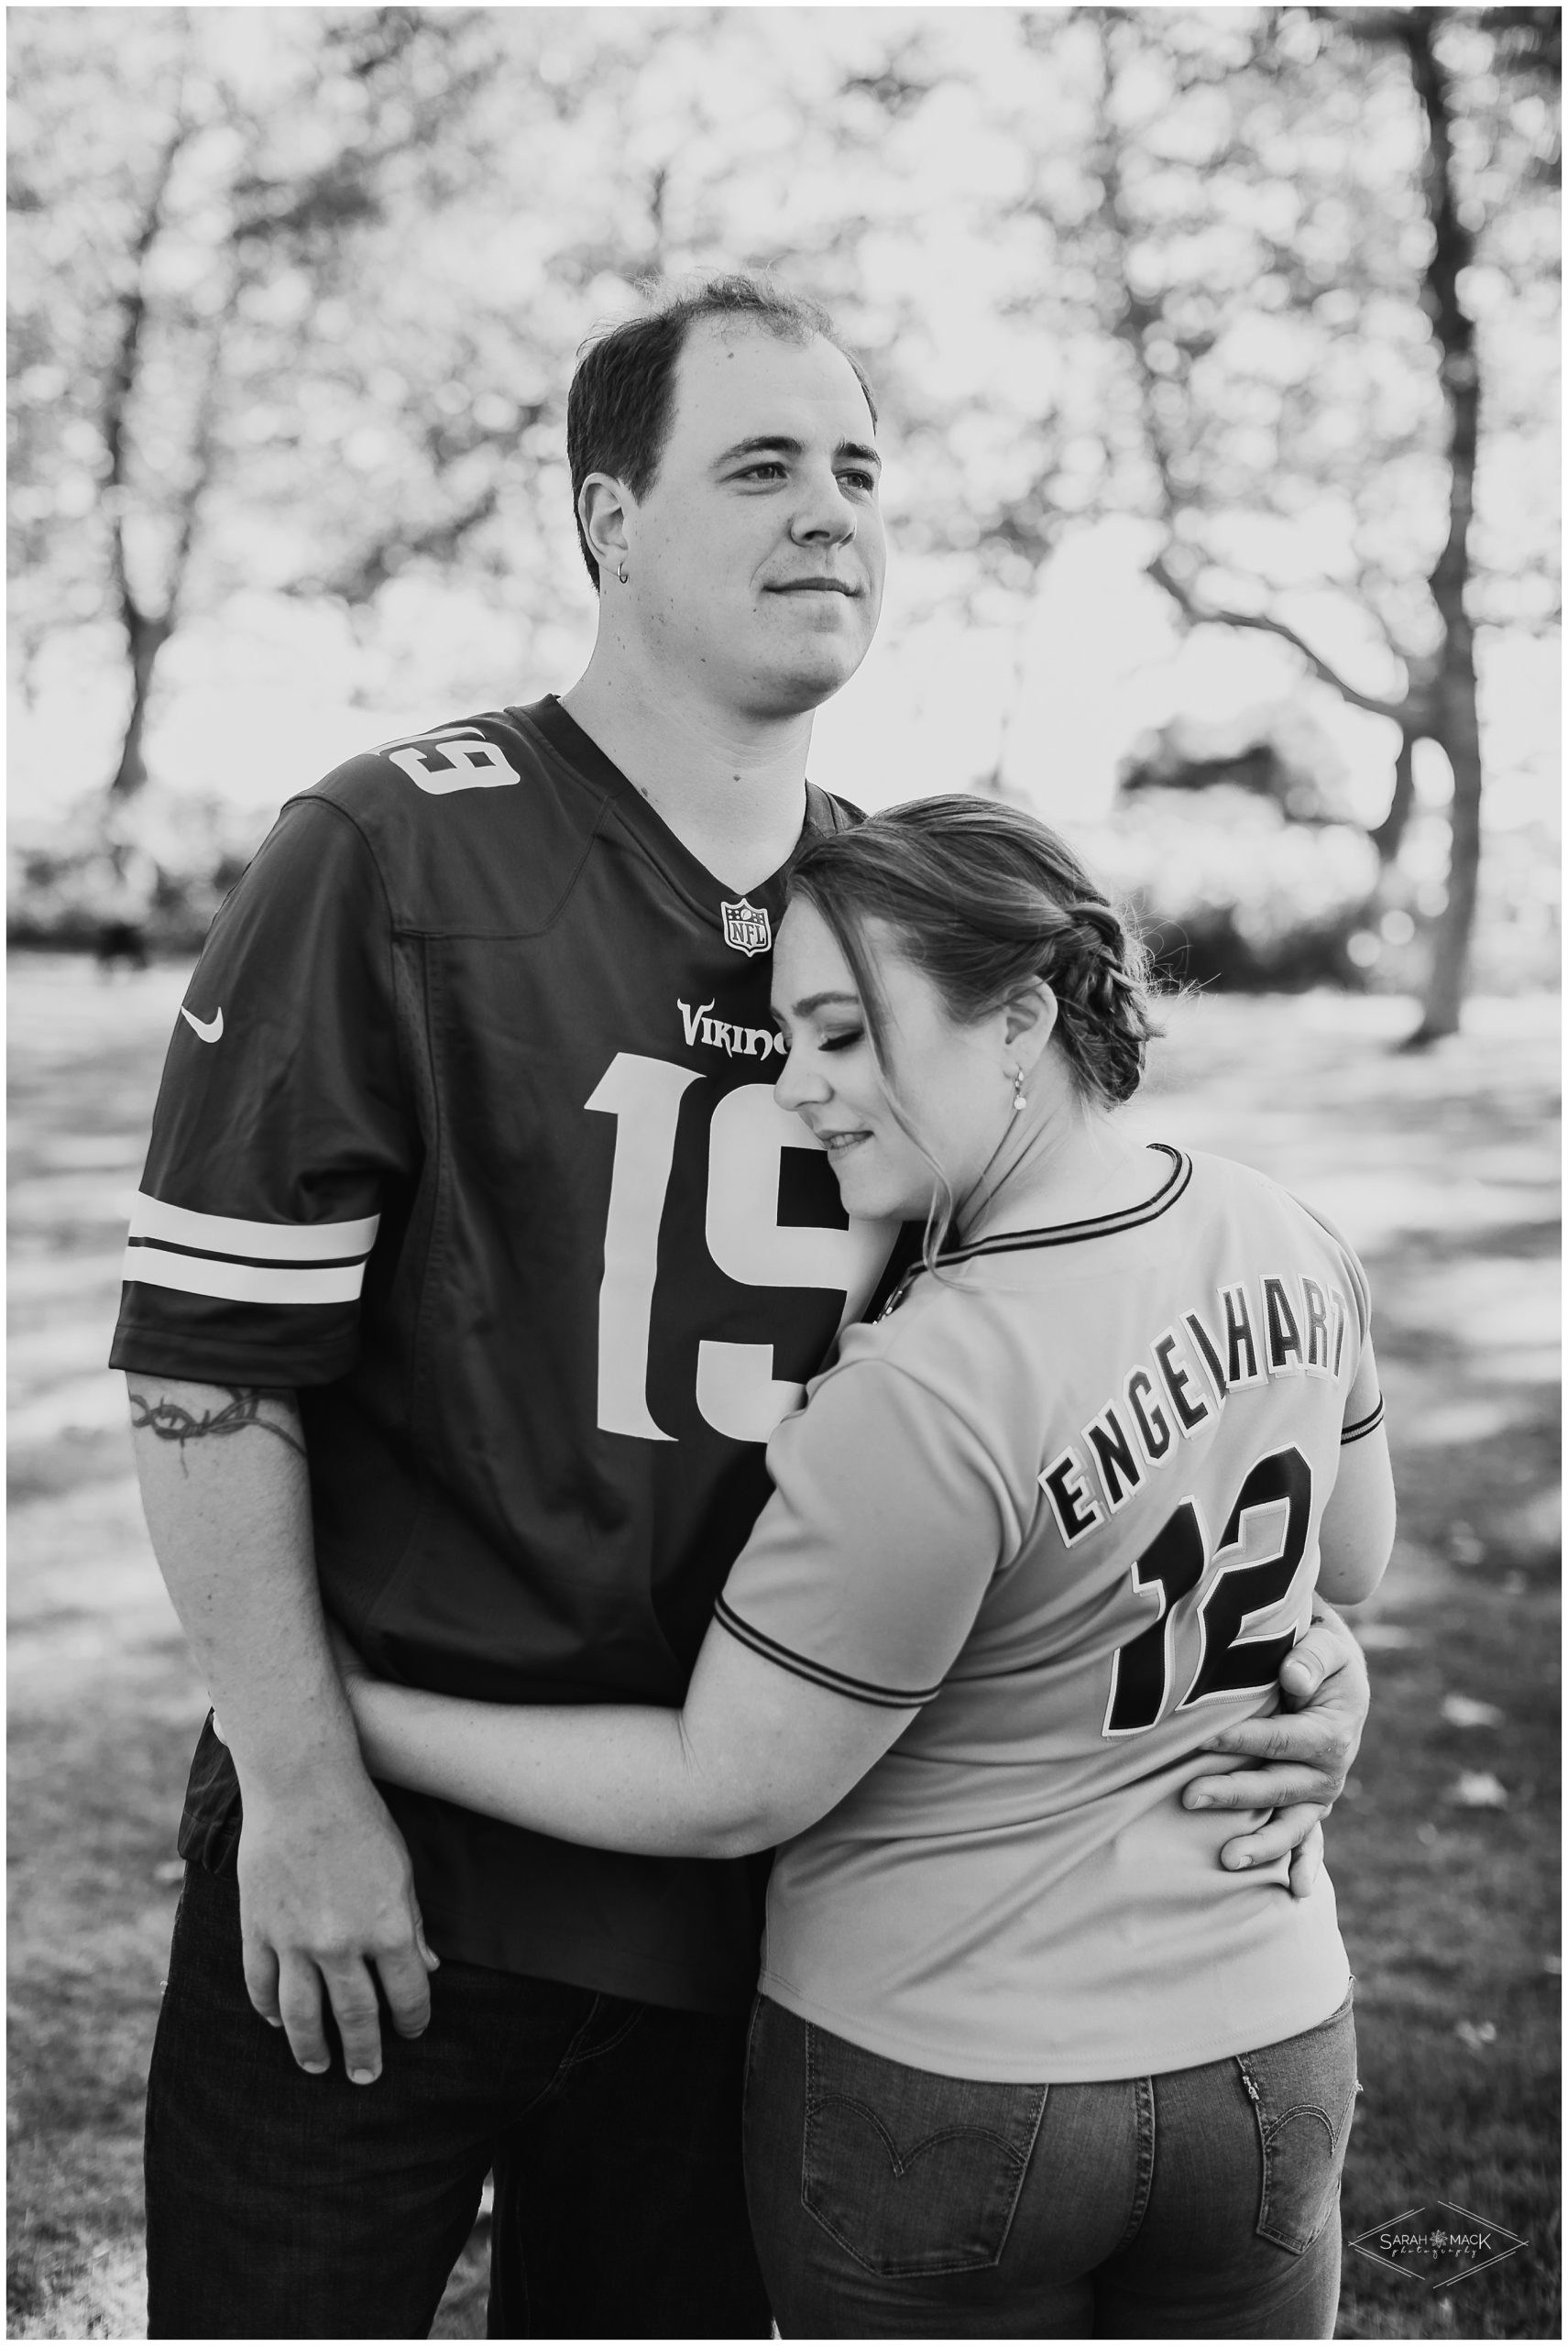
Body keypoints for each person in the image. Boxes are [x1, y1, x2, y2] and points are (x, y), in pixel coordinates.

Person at [113, 280, 1371, 2340]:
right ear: (607, 521)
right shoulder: (394, 845)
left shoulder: (907, 920)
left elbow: (1108, 1333)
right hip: (395, 1876)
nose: (832, 517)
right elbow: (202, 1374)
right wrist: (310, 1788)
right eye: (763, 466)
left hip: (769, 1905)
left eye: (862, 471)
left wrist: (1293, 1643)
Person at [329, 796, 1395, 2338]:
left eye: (842, 1036)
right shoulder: (1287, 1229)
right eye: (785, 1044)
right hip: (1274, 2047)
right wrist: (1324, 1674)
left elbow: (733, 1785)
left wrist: (344, 1715)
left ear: (1021, 1018)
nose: (799, 1094)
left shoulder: (927, 1383)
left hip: (957, 2086)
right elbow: (1346, 1564)